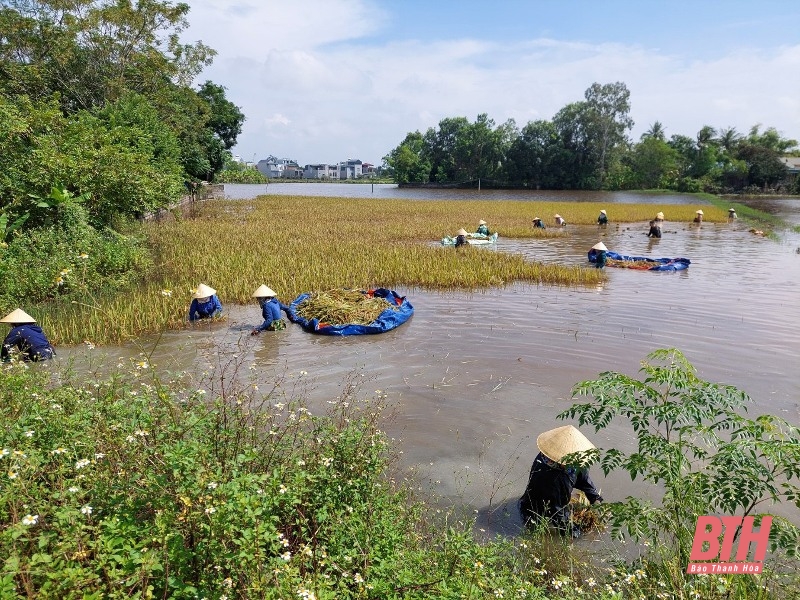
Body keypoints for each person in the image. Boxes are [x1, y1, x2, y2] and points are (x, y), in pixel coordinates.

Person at [519, 425, 603, 537]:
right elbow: (558, 514)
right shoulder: (554, 479)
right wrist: (575, 533)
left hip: (555, 500)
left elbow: (583, 478)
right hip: (535, 511)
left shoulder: (563, 460)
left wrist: (595, 499)